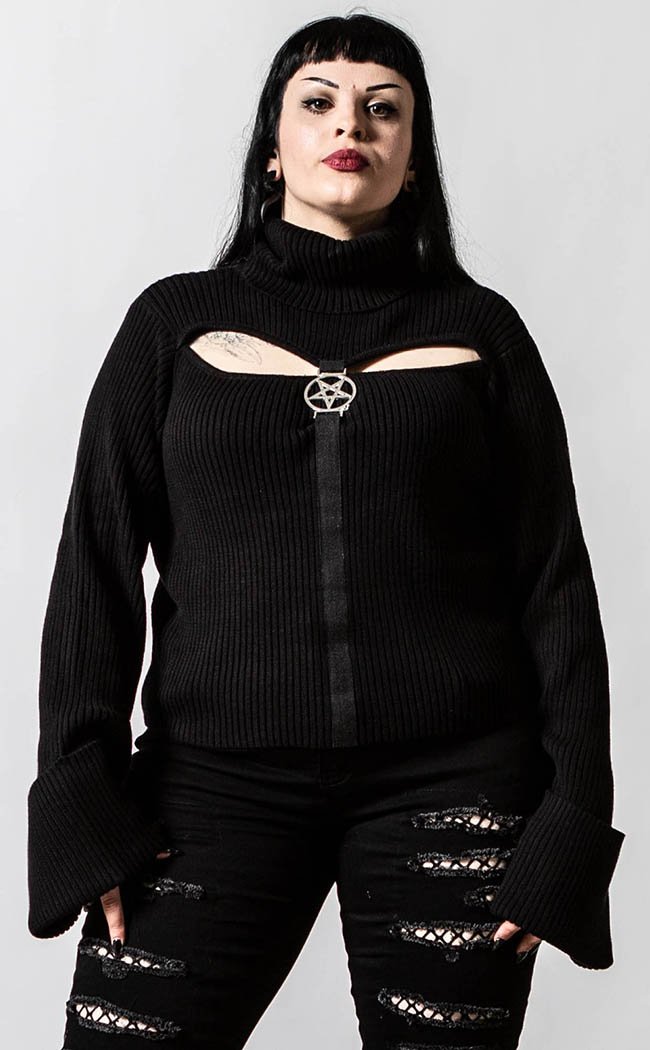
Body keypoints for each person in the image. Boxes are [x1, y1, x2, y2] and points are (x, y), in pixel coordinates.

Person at [27, 12, 625, 1049]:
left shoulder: (480, 332)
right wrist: (81, 794)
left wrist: (572, 815)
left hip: (453, 784)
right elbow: (95, 566)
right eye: (319, 103)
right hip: (208, 784)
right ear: (274, 147)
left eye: (383, 110)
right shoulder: (172, 325)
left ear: (412, 156)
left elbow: (554, 584)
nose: (351, 124)